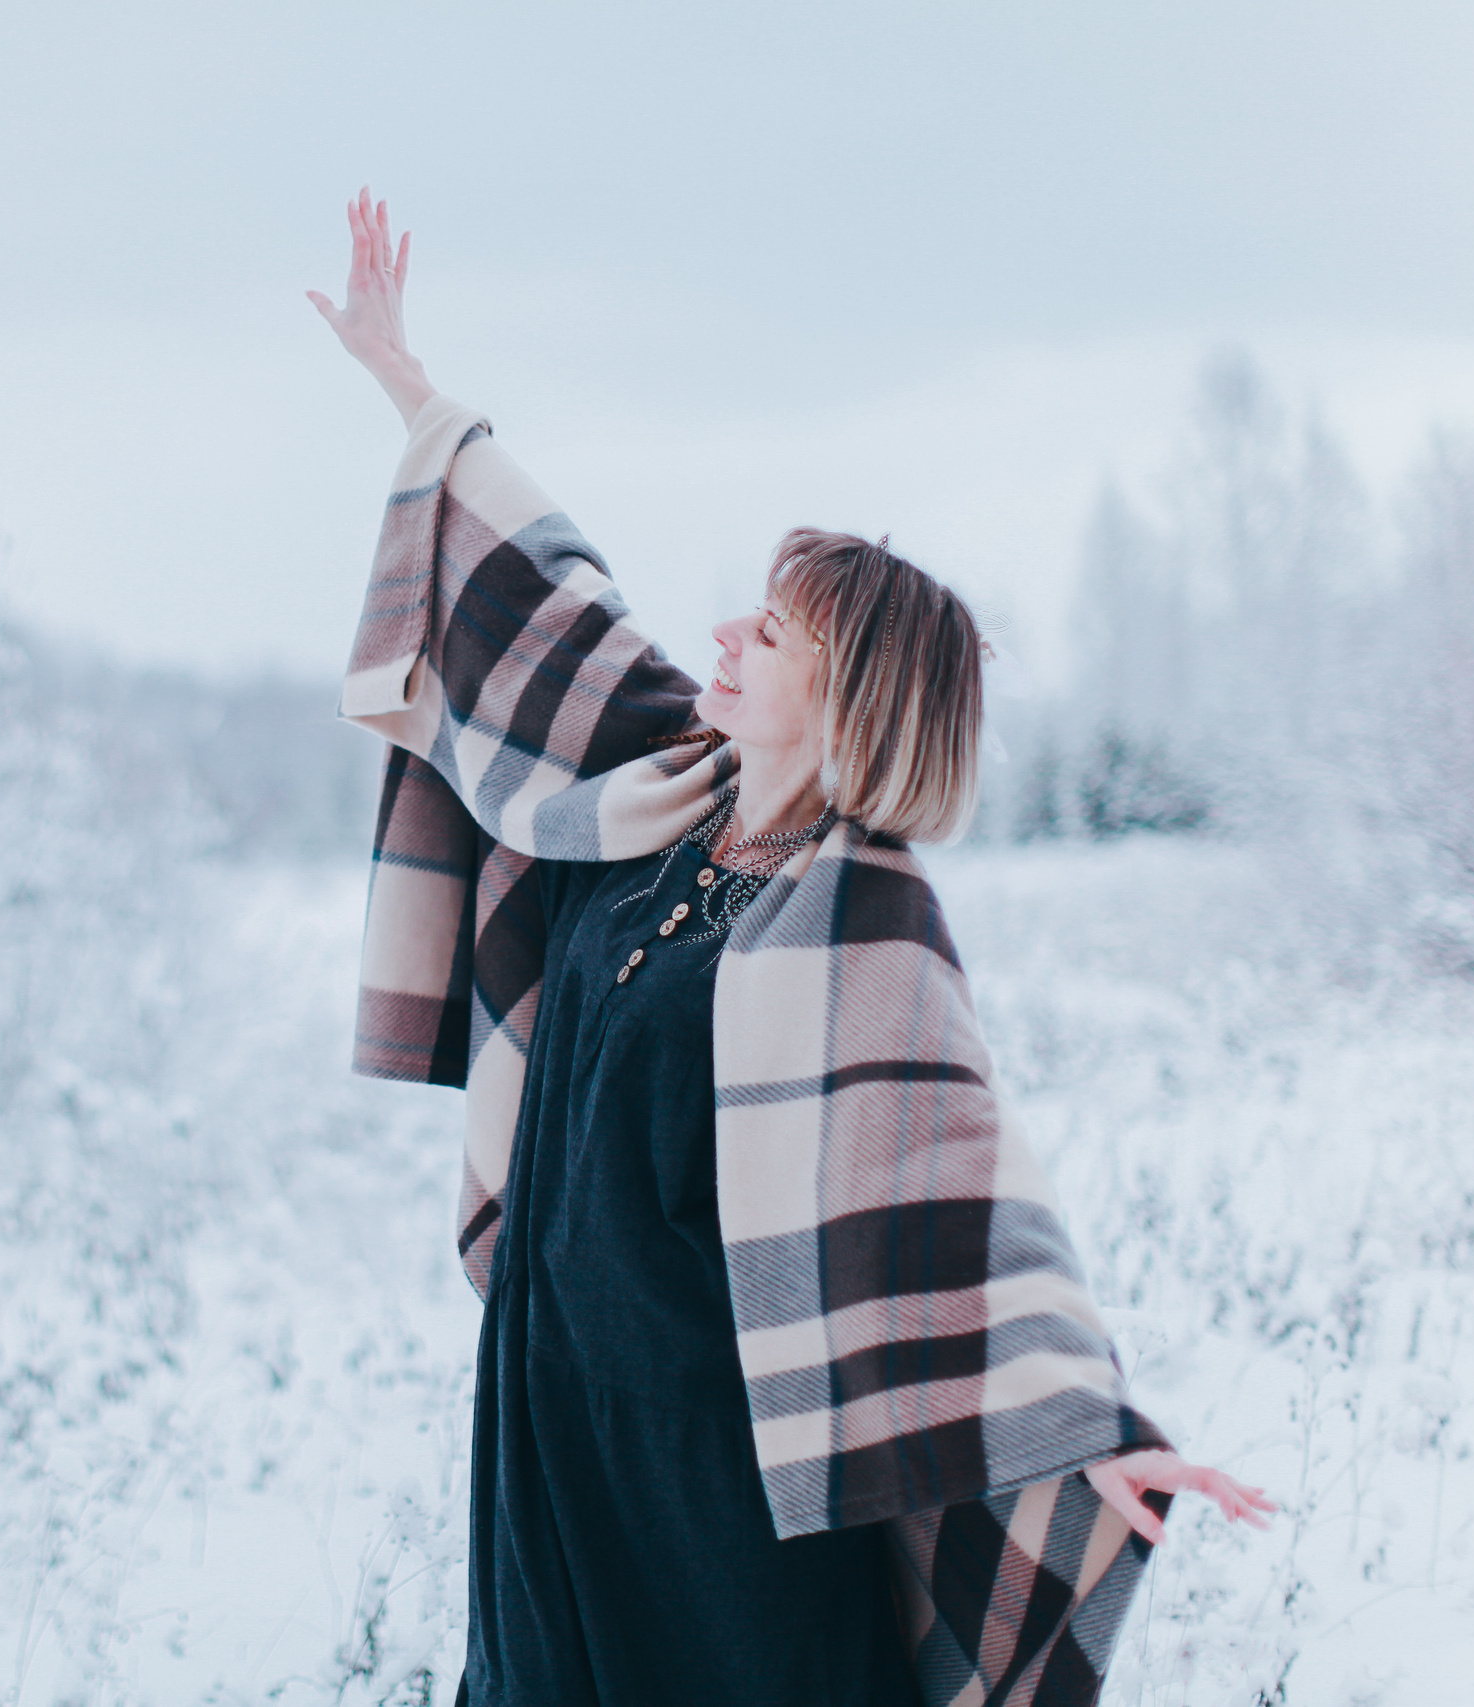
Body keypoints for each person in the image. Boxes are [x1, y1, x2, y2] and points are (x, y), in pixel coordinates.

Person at [309, 189, 1274, 1707]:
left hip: (719, 1478)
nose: (729, 640)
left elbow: (961, 1210)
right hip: (545, 1419)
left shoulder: (862, 919)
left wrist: (1100, 1440)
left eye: (774, 636)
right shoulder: (644, 799)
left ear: (844, 707)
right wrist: (411, 388)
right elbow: (544, 607)